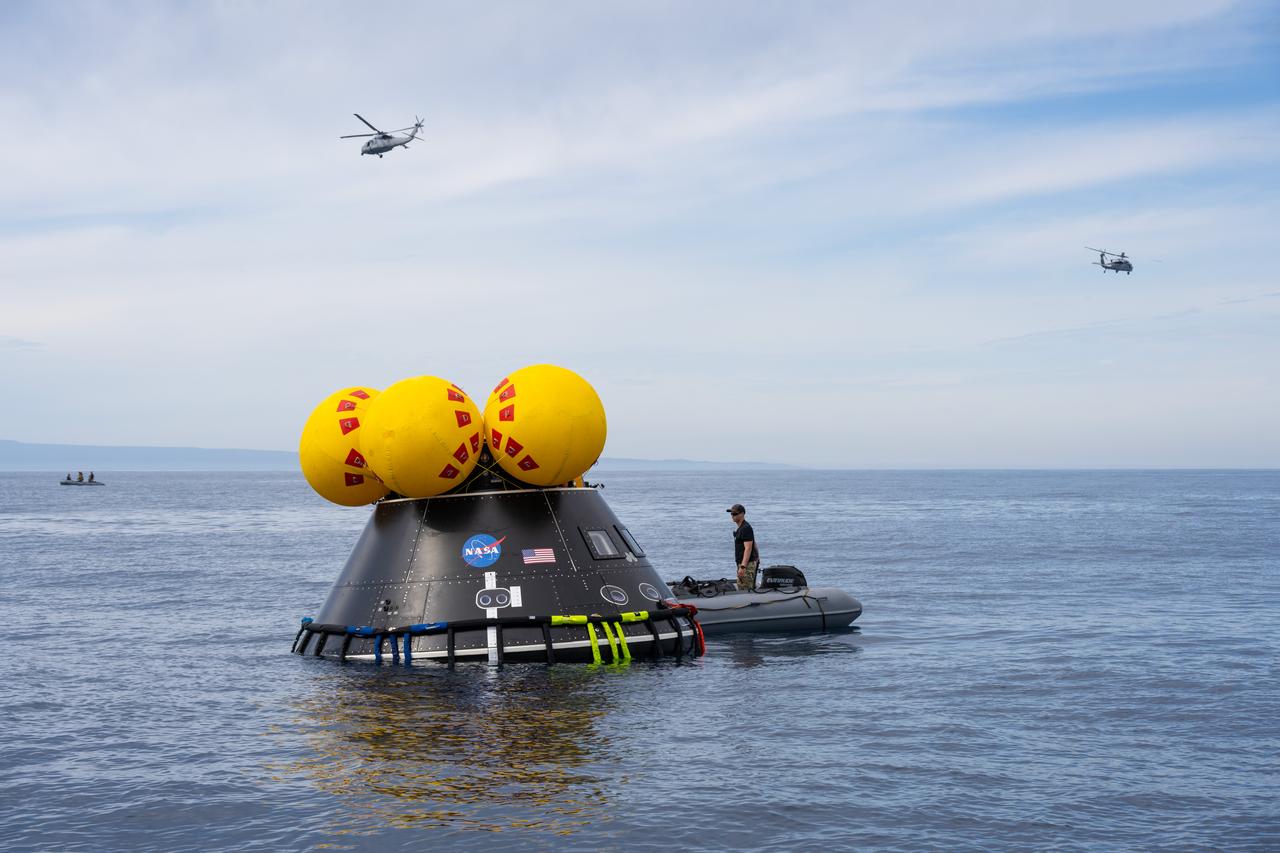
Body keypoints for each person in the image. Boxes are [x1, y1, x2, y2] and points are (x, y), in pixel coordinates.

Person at [726, 503, 760, 591]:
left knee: (745, 589)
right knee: (742, 586)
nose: (732, 516)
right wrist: (757, 558)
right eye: (731, 514)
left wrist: (743, 567)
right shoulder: (741, 528)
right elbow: (754, 543)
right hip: (744, 563)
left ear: (742, 514)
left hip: (746, 565)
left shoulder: (746, 528)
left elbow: (748, 548)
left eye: (735, 514)